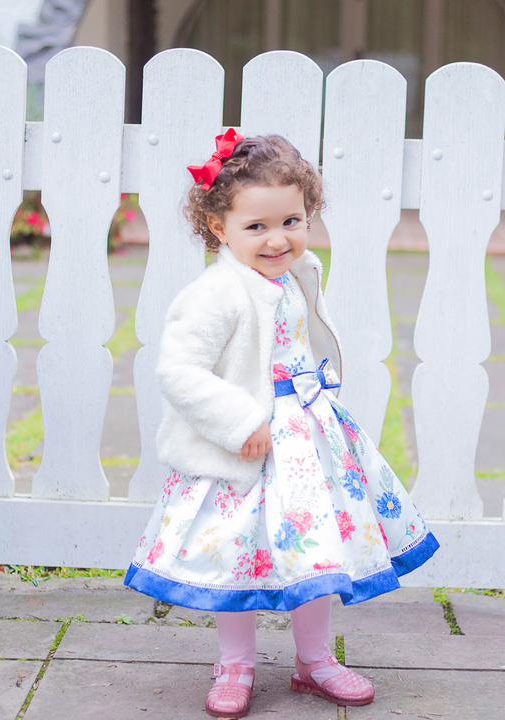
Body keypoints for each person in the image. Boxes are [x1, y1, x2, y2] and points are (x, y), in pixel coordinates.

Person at [124, 130, 439, 718]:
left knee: (315, 546)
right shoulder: (216, 292)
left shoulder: (294, 275)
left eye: (292, 220)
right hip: (247, 444)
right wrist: (241, 419)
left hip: (308, 440)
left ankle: (315, 660)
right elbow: (178, 370)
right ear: (219, 227)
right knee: (236, 549)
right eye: (256, 227)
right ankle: (235, 664)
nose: (277, 239)